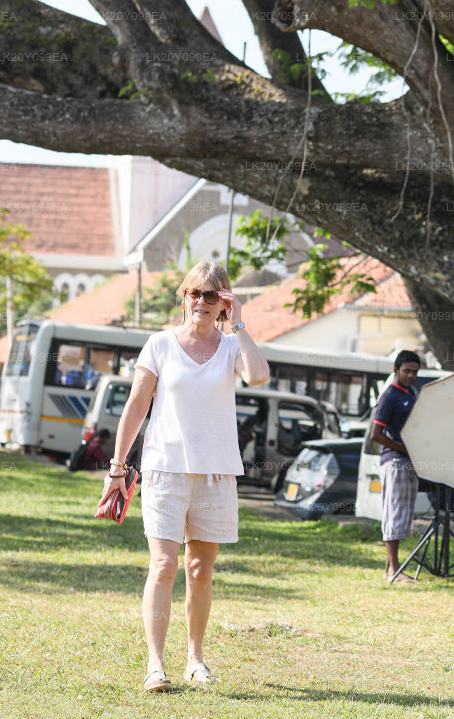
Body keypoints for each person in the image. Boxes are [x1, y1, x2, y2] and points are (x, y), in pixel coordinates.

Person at [107, 260, 270, 693]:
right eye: (194, 293)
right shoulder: (159, 344)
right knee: (163, 565)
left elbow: (258, 375)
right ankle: (154, 664)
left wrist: (239, 325)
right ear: (184, 297)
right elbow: (136, 407)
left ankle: (195, 659)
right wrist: (117, 469)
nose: (201, 301)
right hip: (165, 470)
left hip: (216, 474)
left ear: (224, 302)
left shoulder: (232, 346)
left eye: (211, 295)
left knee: (200, 570)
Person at [370, 350, 423, 583]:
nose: (411, 375)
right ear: (396, 371)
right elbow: (376, 434)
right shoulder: (390, 394)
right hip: (394, 461)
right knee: (394, 513)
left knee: (403, 514)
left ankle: (390, 570)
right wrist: (405, 449)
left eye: (414, 372)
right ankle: (394, 571)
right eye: (406, 371)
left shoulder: (412, 393)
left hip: (410, 462)